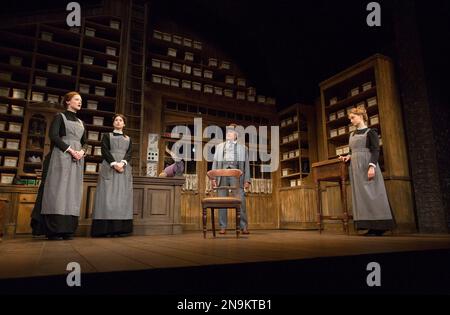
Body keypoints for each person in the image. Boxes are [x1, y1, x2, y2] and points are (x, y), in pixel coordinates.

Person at [30, 91, 86, 240]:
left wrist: (82, 151)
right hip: (61, 156)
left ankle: (67, 229)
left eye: (81, 100)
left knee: (71, 192)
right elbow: (53, 136)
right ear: (68, 101)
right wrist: (70, 150)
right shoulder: (59, 117)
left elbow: (84, 141)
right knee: (58, 190)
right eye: (76, 99)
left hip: (77, 159)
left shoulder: (81, 122)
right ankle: (54, 230)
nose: (80, 102)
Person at [339, 108, 395, 236]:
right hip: (355, 169)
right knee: (362, 197)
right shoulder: (351, 135)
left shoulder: (371, 132)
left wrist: (371, 167)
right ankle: (370, 226)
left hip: (367, 166)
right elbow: (352, 151)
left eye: (353, 117)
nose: (351, 120)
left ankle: (380, 227)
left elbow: (375, 150)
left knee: (374, 194)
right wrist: (348, 157)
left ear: (361, 116)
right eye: (350, 118)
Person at [91, 114, 133, 237]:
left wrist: (123, 163)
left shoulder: (129, 139)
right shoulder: (106, 136)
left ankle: (120, 229)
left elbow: (129, 153)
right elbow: (104, 150)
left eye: (121, 120)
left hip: (124, 169)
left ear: (124, 124)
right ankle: (105, 230)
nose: (118, 122)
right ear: (113, 123)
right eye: (116, 120)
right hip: (109, 167)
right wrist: (114, 164)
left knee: (121, 199)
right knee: (107, 198)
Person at [211, 124, 251, 234]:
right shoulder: (219, 147)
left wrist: (247, 180)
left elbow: (247, 165)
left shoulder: (243, 148)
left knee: (241, 200)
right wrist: (213, 178)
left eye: (231, 132)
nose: (228, 133)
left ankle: (243, 226)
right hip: (221, 175)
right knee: (221, 201)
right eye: (227, 131)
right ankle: (223, 226)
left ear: (236, 135)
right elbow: (214, 163)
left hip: (237, 176)